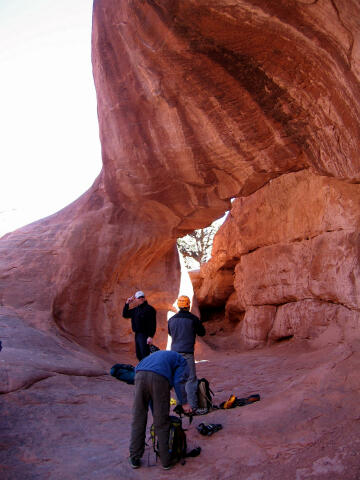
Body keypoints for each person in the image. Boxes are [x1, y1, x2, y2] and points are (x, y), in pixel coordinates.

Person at [129, 350, 192, 470]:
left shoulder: (163, 356)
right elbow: (179, 381)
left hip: (139, 374)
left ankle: (135, 457)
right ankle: (166, 461)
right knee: (162, 422)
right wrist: (184, 403)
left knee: (138, 417)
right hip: (159, 378)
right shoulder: (183, 362)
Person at [168, 295, 206, 415]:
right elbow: (202, 332)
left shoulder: (171, 320)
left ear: (179, 306)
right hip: (187, 353)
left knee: (178, 380)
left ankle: (181, 406)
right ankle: (192, 407)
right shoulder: (193, 319)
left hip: (174, 353)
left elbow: (170, 333)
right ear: (188, 305)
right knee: (190, 380)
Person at [123, 291, 156, 361]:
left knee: (145, 355)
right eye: (139, 297)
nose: (141, 298)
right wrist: (127, 303)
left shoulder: (150, 309)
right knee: (139, 355)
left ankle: (146, 371)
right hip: (137, 335)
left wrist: (150, 336)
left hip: (145, 335)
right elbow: (125, 314)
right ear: (135, 299)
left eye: (142, 297)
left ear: (144, 298)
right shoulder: (135, 310)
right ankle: (142, 370)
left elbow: (153, 324)